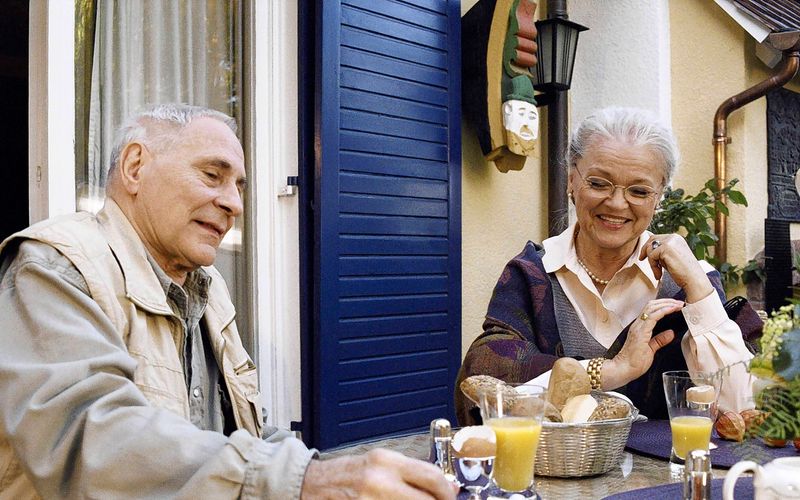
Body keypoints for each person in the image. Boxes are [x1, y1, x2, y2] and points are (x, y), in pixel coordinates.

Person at [0, 104, 455, 499]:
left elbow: (240, 437)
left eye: (239, 186)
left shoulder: (207, 288)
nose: (234, 203)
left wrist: (338, 473)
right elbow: (87, 439)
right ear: (135, 167)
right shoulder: (55, 267)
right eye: (212, 175)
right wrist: (305, 481)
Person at [455, 107, 761, 425]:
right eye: (600, 183)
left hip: (665, 473)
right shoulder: (532, 274)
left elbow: (738, 408)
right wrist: (609, 372)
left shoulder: (689, 283)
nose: (617, 203)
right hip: (548, 471)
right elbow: (485, 373)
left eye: (639, 191)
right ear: (572, 180)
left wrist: (699, 286)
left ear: (659, 197)